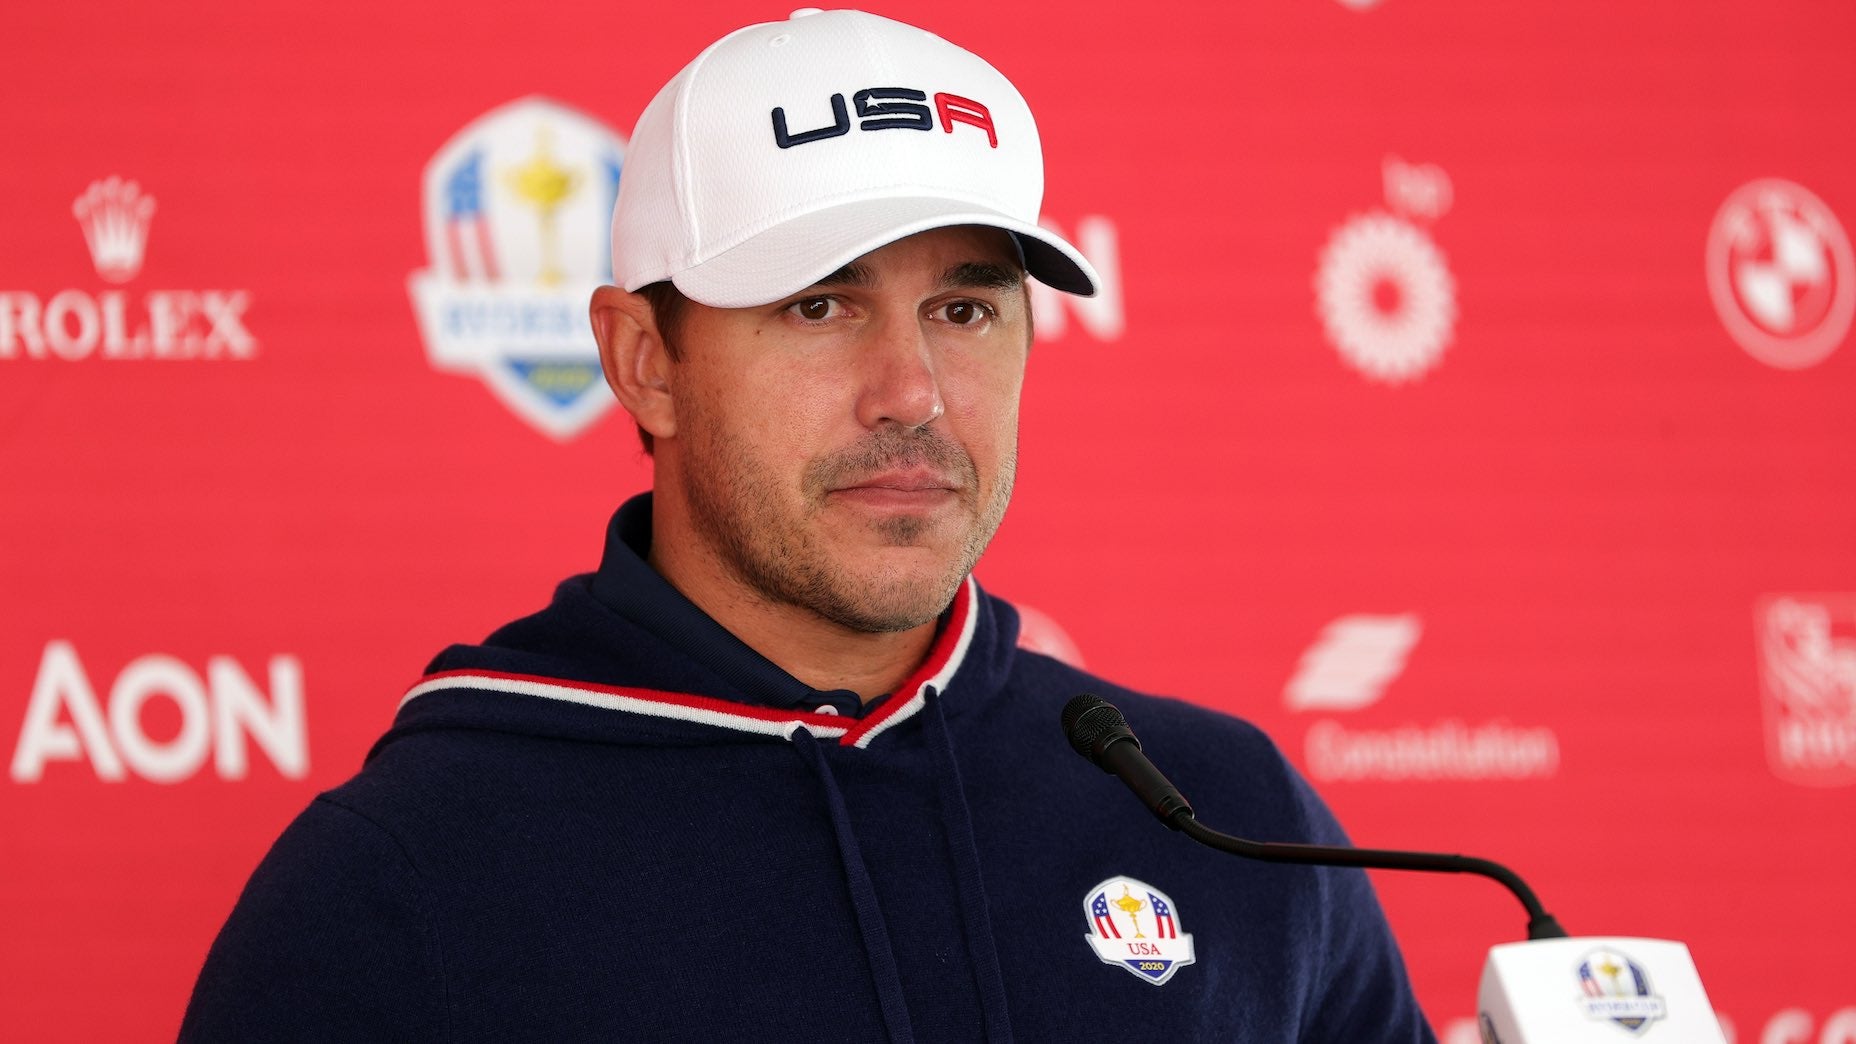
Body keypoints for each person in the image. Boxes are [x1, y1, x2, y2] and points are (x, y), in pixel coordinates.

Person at [180, 10, 1435, 1042]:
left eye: (964, 308)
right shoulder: (402, 879)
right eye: (819, 307)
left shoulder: (1223, 809)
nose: (911, 394)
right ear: (643, 361)